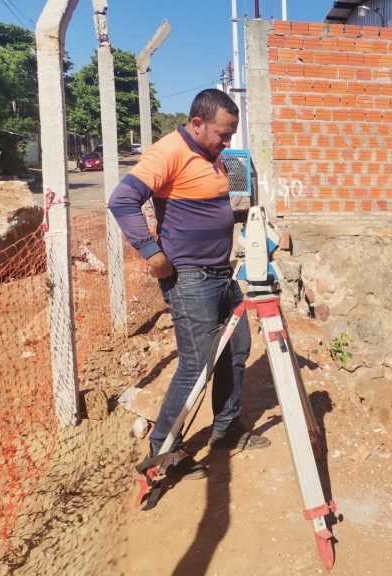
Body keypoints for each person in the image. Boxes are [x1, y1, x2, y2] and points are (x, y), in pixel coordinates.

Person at [108, 89, 270, 480]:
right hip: (190, 278)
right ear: (197, 123)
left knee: (236, 350)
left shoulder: (217, 157)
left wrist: (250, 215)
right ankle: (164, 450)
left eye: (231, 134)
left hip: (222, 272)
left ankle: (226, 428)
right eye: (222, 133)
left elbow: (222, 207)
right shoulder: (169, 151)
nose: (227, 141)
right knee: (196, 365)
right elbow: (122, 200)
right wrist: (152, 252)